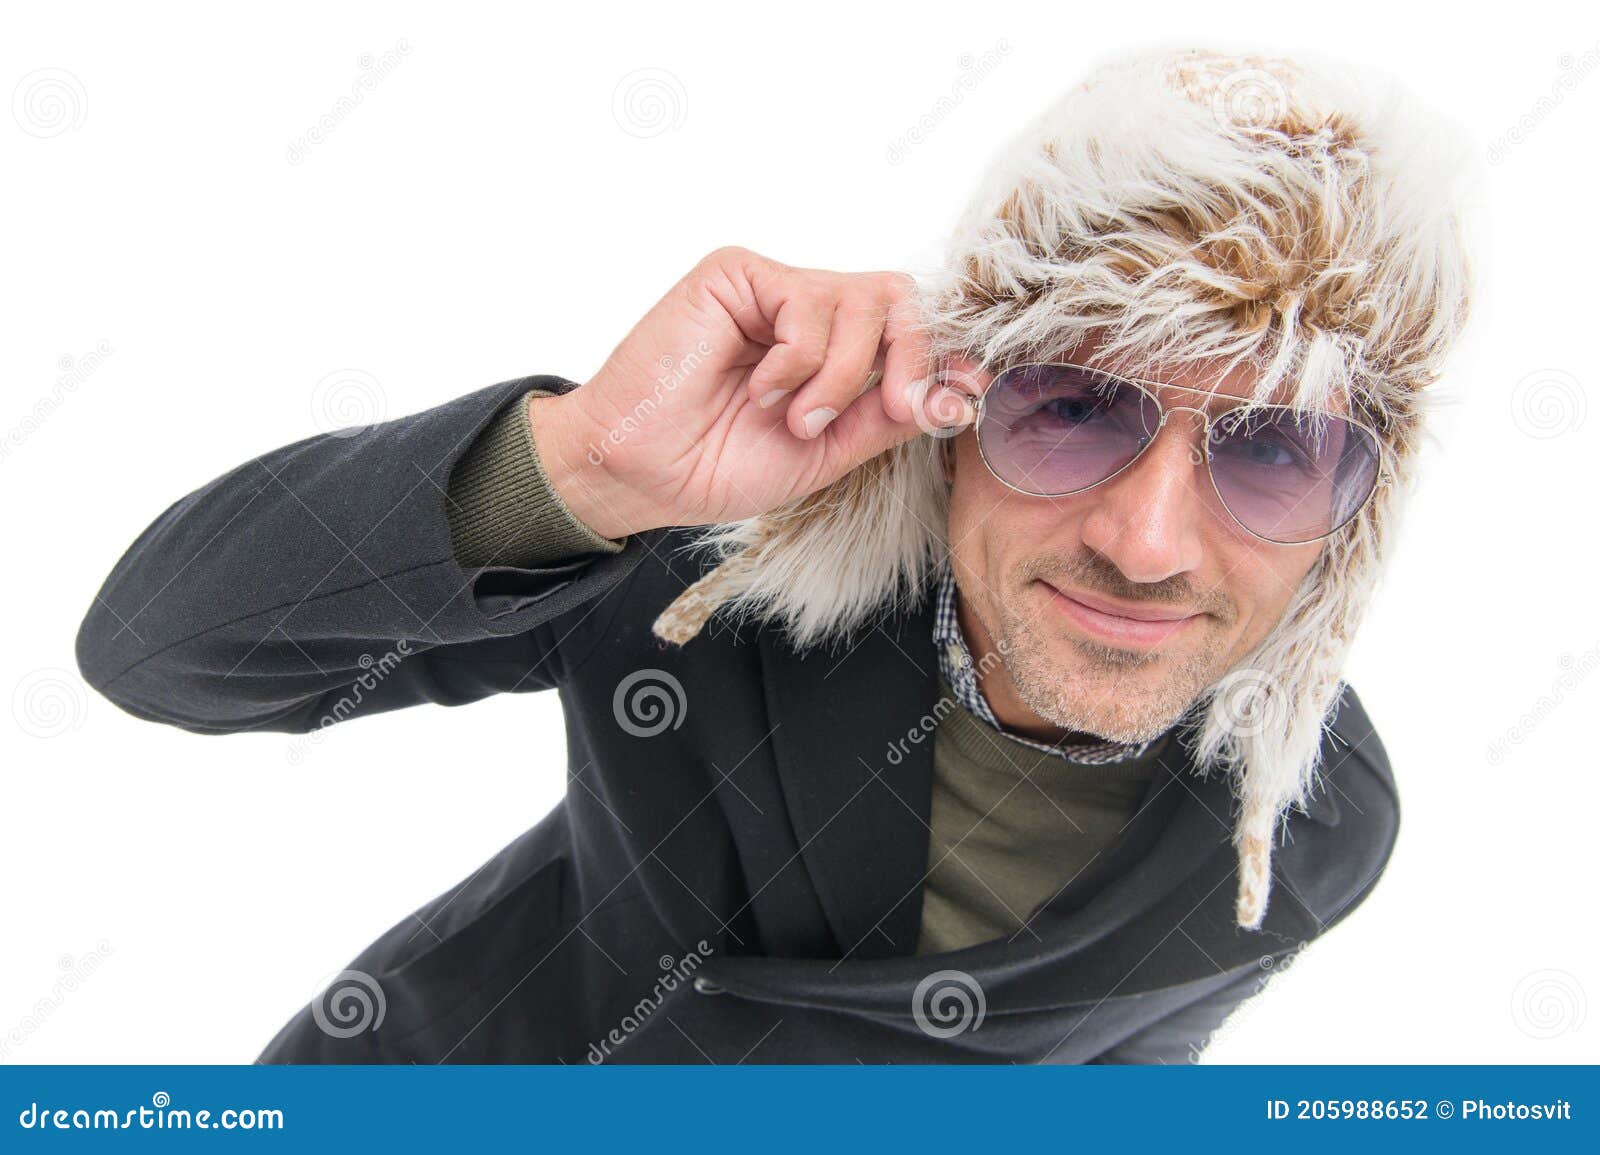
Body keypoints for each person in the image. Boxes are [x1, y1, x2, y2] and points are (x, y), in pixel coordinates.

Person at [74, 43, 1477, 1063]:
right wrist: (582, 468)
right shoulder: (724, 576)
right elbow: (160, 652)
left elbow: (1119, 1067)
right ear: (958, 413)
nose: (1147, 541)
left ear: (1357, 515)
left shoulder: (1317, 836)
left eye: (1273, 446)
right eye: (1073, 410)